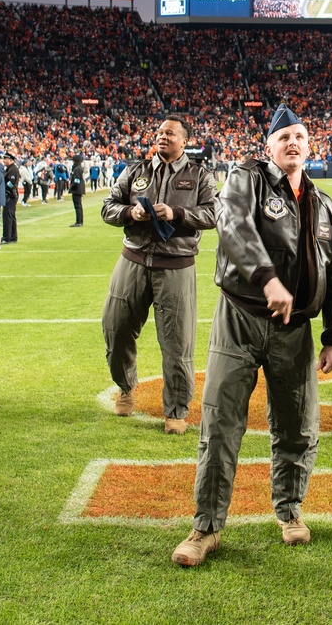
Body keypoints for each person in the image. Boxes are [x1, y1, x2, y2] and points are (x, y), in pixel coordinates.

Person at [171, 104, 332, 567]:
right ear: (268, 145)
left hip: (297, 331)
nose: (293, 142)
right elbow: (232, 226)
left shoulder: (326, 205)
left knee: (297, 424)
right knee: (221, 421)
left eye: (300, 136)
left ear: (310, 147)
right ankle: (206, 526)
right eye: (284, 136)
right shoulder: (245, 178)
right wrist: (268, 278)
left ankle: (290, 512)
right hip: (240, 318)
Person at [100, 117, 216, 434]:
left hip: (176, 265)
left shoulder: (198, 175)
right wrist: (129, 212)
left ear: (184, 141)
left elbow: (214, 213)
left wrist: (176, 213)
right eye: (160, 132)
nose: (163, 137)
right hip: (133, 259)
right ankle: (126, 386)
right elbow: (108, 206)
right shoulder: (135, 171)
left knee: (178, 343)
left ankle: (176, 411)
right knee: (116, 328)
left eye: (170, 133)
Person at [1, 153, 20, 244]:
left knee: (7, 215)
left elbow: (11, 184)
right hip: (10, 195)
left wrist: (3, 186)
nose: (4, 160)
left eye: (6, 159)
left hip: (10, 195)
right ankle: (12, 236)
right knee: (11, 216)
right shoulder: (10, 169)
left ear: (11, 160)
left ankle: (7, 237)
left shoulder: (13, 170)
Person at [69, 154, 86, 227]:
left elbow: (77, 180)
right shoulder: (79, 168)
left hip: (76, 190)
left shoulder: (77, 169)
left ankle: (78, 222)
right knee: (79, 206)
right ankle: (80, 221)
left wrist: (71, 187)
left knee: (77, 206)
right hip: (79, 189)